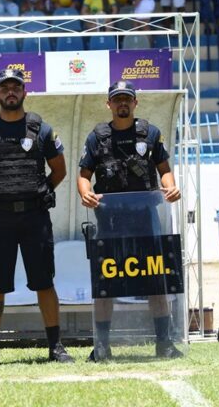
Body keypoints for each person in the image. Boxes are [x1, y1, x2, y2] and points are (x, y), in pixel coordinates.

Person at [0, 68, 73, 366]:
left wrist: (41, 191)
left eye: (15, 87)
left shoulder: (41, 129)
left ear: (24, 92)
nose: (10, 92)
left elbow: (59, 170)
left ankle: (56, 347)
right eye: (4, 88)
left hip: (35, 217)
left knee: (44, 282)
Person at [77, 80, 183, 362]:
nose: (122, 103)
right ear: (108, 104)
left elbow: (164, 170)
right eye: (117, 99)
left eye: (127, 98)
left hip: (145, 219)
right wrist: (85, 193)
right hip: (110, 221)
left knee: (156, 281)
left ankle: (164, 344)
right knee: (105, 285)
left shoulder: (150, 134)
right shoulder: (97, 138)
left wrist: (171, 187)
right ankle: (102, 346)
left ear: (135, 103)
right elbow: (84, 175)